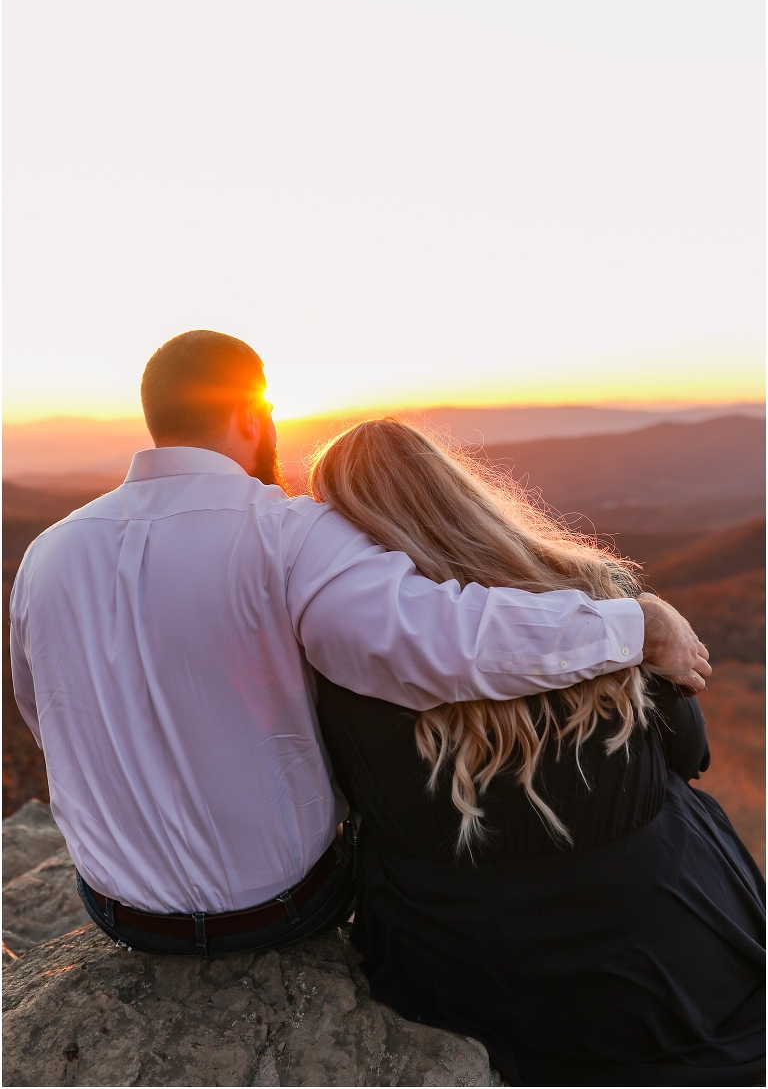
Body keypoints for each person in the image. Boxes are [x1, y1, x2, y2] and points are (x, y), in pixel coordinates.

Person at [9, 330, 709, 959]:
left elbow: (43, 712)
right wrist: (635, 626)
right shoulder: (286, 533)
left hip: (119, 914)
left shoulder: (46, 554)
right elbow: (441, 641)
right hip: (277, 910)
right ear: (253, 415)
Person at [311, 418, 765, 1088]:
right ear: (457, 491)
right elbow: (689, 751)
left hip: (461, 970)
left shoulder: (334, 661)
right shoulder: (592, 592)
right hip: (662, 960)